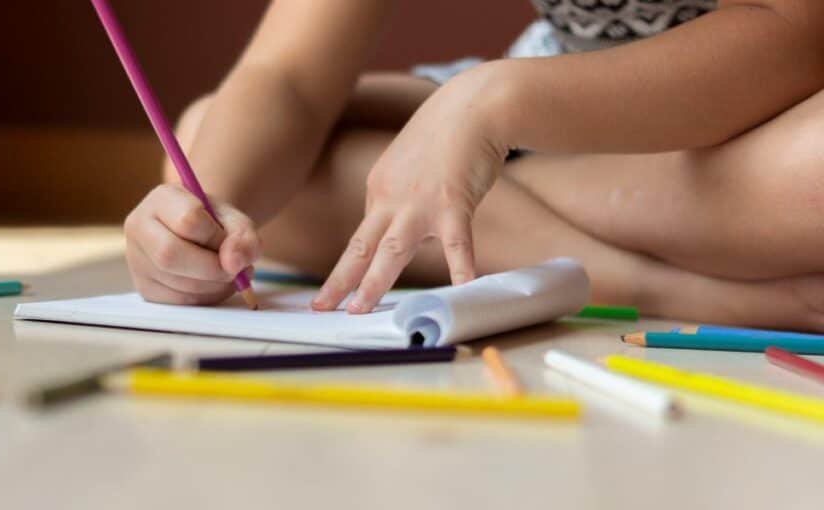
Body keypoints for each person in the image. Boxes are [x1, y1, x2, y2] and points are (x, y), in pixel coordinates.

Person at [123, 0, 824, 331]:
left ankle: (489, 188)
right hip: (550, 101)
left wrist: (493, 106)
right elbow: (288, 77)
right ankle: (675, 286)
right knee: (206, 137)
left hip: (772, 115)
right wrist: (202, 214)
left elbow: (793, 36)